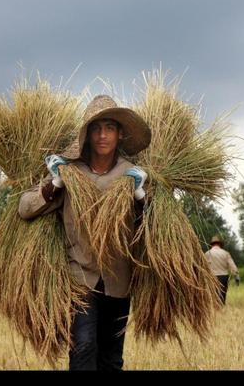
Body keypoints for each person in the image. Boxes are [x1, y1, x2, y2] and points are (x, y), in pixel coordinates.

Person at [18, 94, 151, 371]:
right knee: (84, 345)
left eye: (110, 128)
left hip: (118, 278)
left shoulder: (132, 174)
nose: (103, 135)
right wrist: (54, 182)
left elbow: (153, 226)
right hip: (80, 276)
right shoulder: (70, 172)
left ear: (120, 134)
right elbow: (26, 208)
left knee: (111, 357)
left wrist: (141, 196)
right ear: (87, 134)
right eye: (96, 128)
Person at [204, 235, 240, 306]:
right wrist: (236, 275)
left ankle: (214, 307)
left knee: (213, 293)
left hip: (212, 276)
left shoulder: (207, 253)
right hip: (223, 276)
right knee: (223, 293)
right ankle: (221, 307)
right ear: (220, 244)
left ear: (212, 244)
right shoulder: (225, 253)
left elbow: (204, 266)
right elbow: (232, 265)